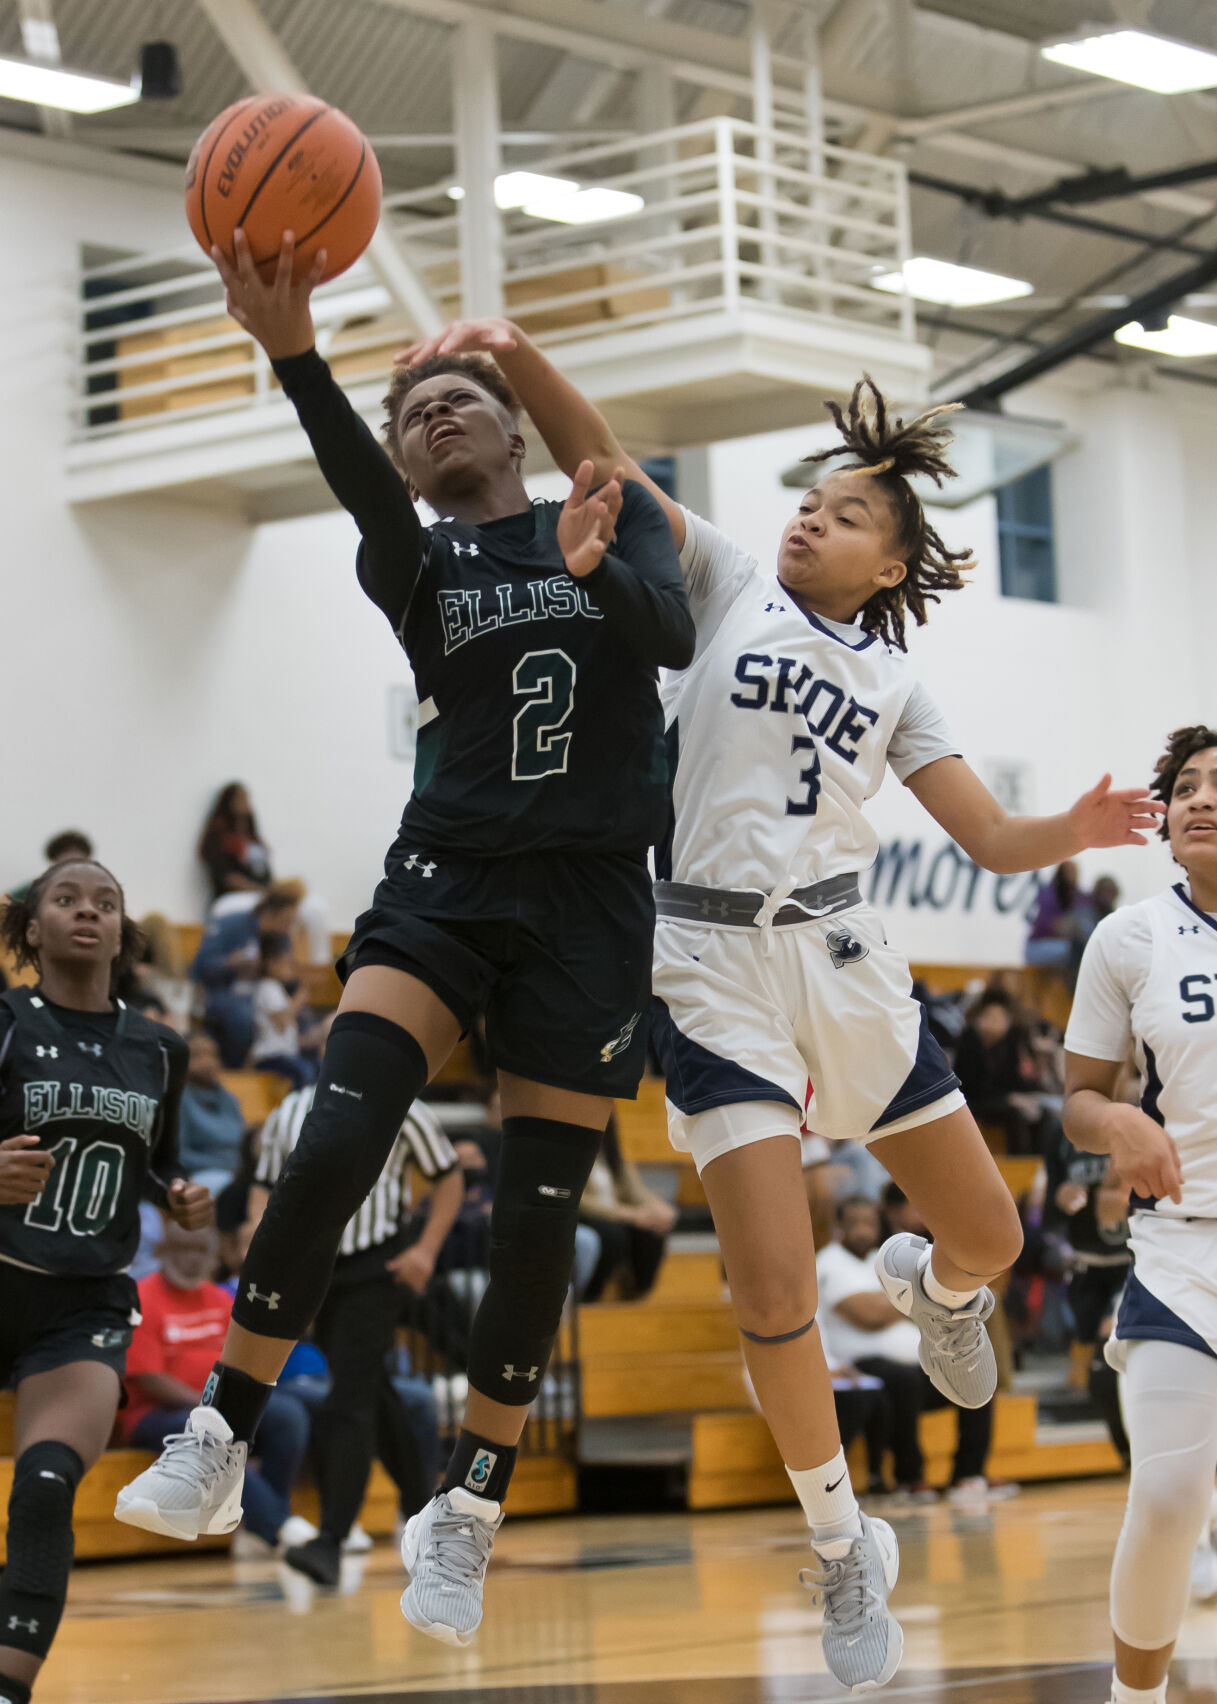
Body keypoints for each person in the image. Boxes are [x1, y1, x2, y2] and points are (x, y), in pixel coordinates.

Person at [400, 317, 1163, 1688]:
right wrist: (515, 358)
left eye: (846, 513)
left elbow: (988, 838)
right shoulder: (727, 581)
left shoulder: (896, 681)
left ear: (892, 565)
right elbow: (603, 465)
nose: (811, 517)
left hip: (844, 959)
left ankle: (935, 1289)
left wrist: (1079, 826)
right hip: (707, 967)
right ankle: (840, 1547)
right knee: (767, 1288)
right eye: (809, 500)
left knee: (990, 1236)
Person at [114, 230, 693, 1651]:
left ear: (513, 428)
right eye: (411, 412)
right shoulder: (418, 564)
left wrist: (593, 564)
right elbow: (357, 478)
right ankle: (221, 1433)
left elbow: (671, 641)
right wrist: (295, 355)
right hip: (444, 880)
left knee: (540, 1224)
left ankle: (467, 1509)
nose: (432, 417)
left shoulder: (615, 513)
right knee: (331, 1143)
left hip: (591, 902)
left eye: (457, 400)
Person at [0, 859, 210, 1704]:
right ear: (33, 927)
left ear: (123, 932)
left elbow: (160, 1161)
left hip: (82, 1302)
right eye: (66, 899)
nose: (87, 911)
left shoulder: (159, 1048)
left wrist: (179, 1193)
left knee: (47, 1485)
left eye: (106, 903)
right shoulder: (5, 1023)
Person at [1062, 724, 1217, 1704]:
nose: (1200, 799)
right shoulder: (1127, 937)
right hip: (1182, 1252)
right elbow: (1078, 1098)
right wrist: (1117, 1121)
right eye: (1187, 786)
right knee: (1164, 1498)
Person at [247, 1082, 464, 1585]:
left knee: (348, 1399)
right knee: (370, 1388)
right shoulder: (290, 1110)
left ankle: (332, 1539)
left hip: (375, 1268)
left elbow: (449, 1176)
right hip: (314, 1266)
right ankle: (425, 1512)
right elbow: (263, 1185)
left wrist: (426, 1250)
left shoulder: (403, 1104)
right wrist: (268, 1248)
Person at [122, 1220, 311, 1555]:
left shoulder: (220, 1300)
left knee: (288, 1415)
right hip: (157, 1413)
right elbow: (148, 1377)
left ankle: (262, 1526)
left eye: (200, 1250)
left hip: (219, 1406)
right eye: (183, 1248)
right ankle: (279, 1526)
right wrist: (208, 1405)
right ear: (162, 1251)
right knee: (212, 1432)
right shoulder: (143, 1298)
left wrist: (226, 1405)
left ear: (212, 1256)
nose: (192, 1259)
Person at [816, 1197, 994, 1504]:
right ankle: (910, 1478)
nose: (862, 1230)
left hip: (916, 1361)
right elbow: (868, 1316)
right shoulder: (829, 1262)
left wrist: (909, 1301)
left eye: (869, 1223)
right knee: (904, 1382)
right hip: (861, 1365)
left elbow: (914, 1305)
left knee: (975, 1377)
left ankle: (968, 1476)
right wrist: (919, 1300)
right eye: (854, 1223)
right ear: (839, 1226)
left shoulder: (880, 1258)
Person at [189, 882, 301, 1068]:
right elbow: (201, 967)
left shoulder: (282, 937)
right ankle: (236, 1072)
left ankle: (283, 1068)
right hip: (223, 991)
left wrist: (285, 976)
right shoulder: (231, 925)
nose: (288, 927)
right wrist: (231, 964)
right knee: (243, 1017)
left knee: (303, 1020)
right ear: (273, 912)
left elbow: (289, 979)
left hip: (264, 992)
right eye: (287, 921)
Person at [577, 1115, 677, 1302]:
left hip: (617, 1215)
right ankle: (591, 1297)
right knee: (613, 1236)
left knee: (651, 1232)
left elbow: (635, 1191)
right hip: (588, 1215)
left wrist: (658, 1207)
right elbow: (581, 1202)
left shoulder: (611, 1152)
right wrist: (628, 1214)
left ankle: (638, 1295)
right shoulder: (573, 1153)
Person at [952, 987, 1054, 1155]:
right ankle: (1019, 1161)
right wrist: (1008, 1098)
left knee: (1041, 1113)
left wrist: (1027, 1094)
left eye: (1000, 1018)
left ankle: (1038, 1161)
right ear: (979, 1019)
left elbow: (1015, 1081)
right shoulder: (968, 1043)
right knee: (1014, 1114)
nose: (995, 1022)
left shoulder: (1010, 1044)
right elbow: (973, 1087)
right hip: (974, 1101)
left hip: (1001, 1099)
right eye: (990, 1017)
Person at [177, 1031, 248, 1193]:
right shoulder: (179, 1099)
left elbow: (242, 1142)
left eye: (212, 1055)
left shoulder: (230, 1099)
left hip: (236, 1174)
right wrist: (224, 1165)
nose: (207, 1062)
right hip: (198, 1176)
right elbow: (178, 1155)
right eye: (197, 1055)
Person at [249, 934, 319, 1090]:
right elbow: (281, 1020)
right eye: (287, 963)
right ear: (272, 963)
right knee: (304, 1072)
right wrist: (301, 997)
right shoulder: (268, 986)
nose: (291, 969)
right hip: (270, 1055)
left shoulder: (279, 990)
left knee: (316, 1069)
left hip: (286, 1054)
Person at [198, 783, 272, 903]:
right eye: (240, 799)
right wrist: (260, 891)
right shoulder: (219, 838)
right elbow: (227, 878)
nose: (246, 803)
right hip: (233, 899)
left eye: (247, 799)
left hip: (261, 896)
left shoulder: (253, 838)